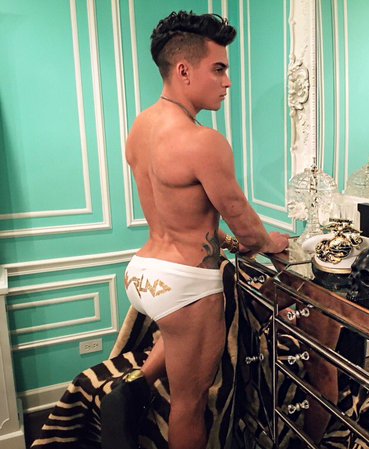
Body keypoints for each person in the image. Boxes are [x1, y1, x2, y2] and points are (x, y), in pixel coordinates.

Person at [104, 11, 289, 449]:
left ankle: (131, 389)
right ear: (184, 71)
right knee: (189, 404)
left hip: (143, 272)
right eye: (219, 69)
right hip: (186, 283)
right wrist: (270, 243)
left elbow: (184, 214)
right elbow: (242, 219)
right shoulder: (203, 142)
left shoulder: (140, 128)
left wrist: (226, 242)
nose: (228, 82)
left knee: (175, 334)